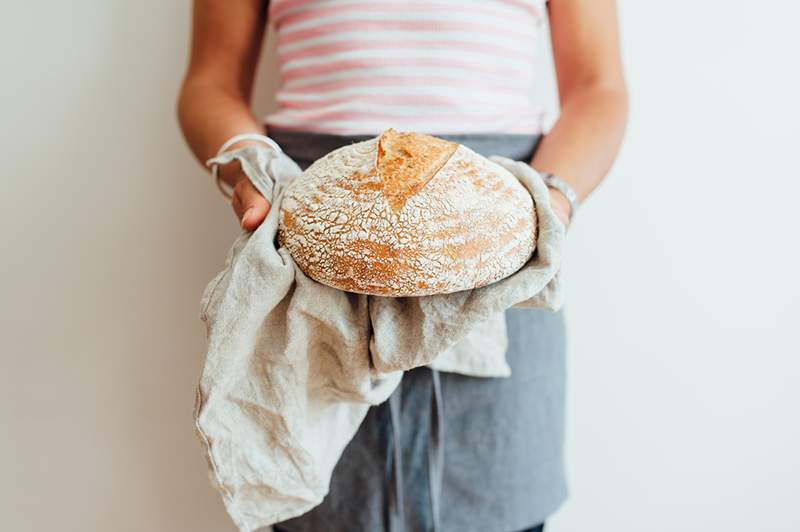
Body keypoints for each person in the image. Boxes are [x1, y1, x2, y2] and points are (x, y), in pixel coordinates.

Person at [177, 1, 628, 531]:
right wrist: (253, 166)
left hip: (498, 253)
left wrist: (547, 204)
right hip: (314, 255)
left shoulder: (515, 224)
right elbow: (210, 82)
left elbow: (599, 87)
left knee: (494, 507)